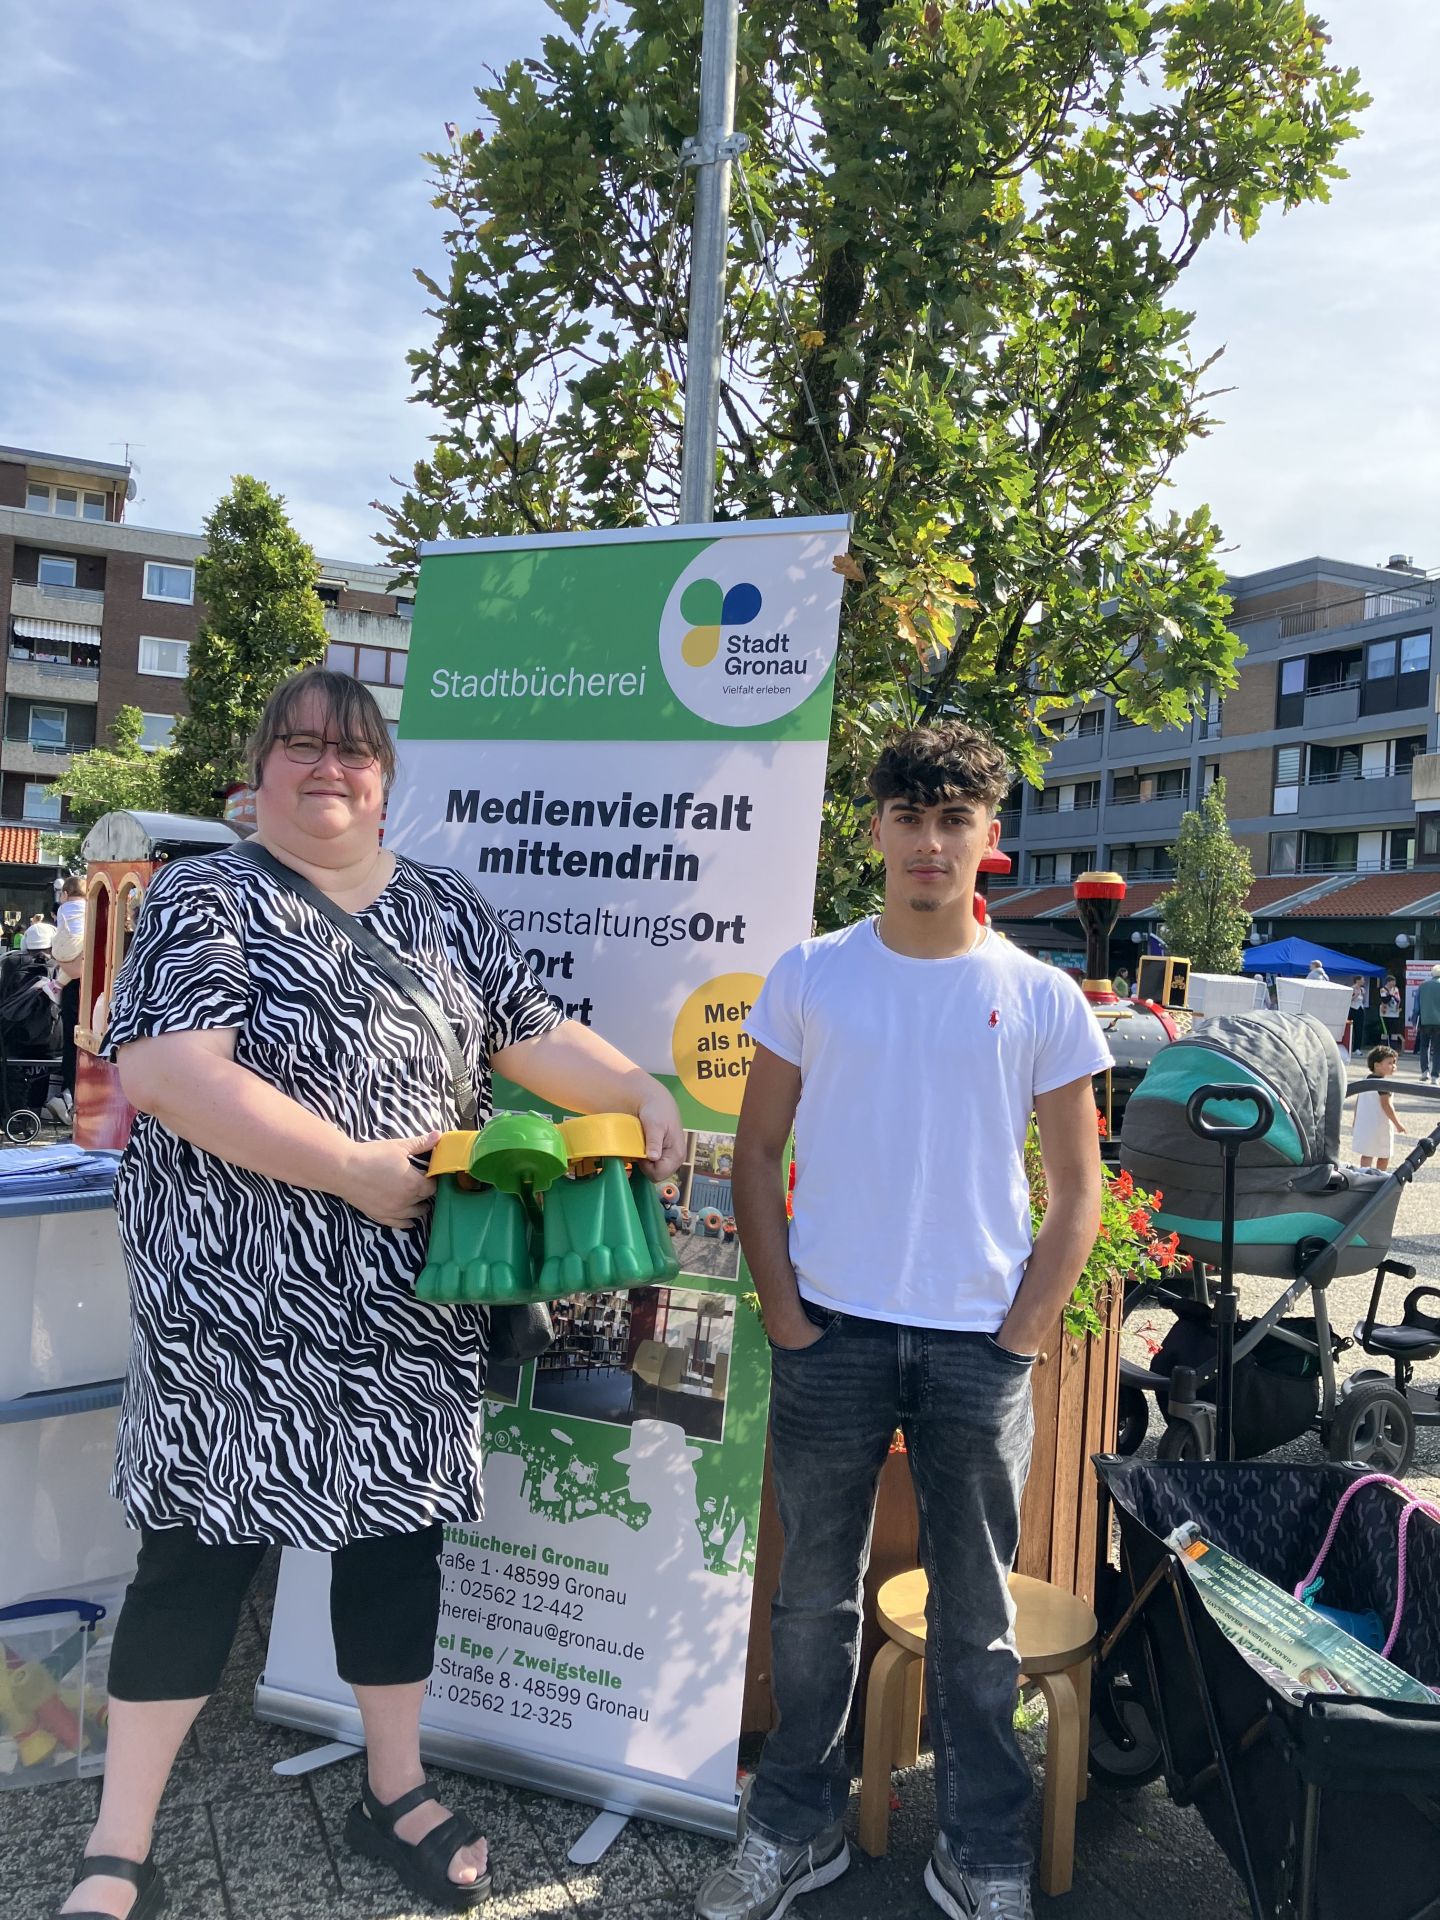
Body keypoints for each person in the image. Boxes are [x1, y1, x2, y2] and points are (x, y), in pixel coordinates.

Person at [55, 668, 684, 1920]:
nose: (326, 768)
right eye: (298, 746)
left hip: (409, 1304)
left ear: (386, 775)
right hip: (236, 1311)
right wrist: (349, 1169)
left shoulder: (447, 908)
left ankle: (391, 1789)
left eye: (351, 750)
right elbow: (172, 1073)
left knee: (396, 1550)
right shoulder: (206, 896)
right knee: (194, 1561)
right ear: (258, 771)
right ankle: (117, 1847)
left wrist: (638, 1090)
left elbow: (530, 1029)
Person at [695, 721, 1108, 1920]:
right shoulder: (812, 973)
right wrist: (786, 1316)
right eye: (910, 818)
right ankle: (794, 1826)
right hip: (831, 1333)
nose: (930, 843)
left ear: (989, 839)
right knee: (809, 1603)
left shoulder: (1038, 996)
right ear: (875, 829)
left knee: (980, 1619)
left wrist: (1021, 1338)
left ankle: (981, 1853)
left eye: (955, 820)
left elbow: (1078, 1195)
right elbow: (756, 1150)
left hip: (979, 1350)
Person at [1352, 1045, 1406, 1171]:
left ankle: (1364, 1174)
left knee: (1367, 1153)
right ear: (1377, 1065)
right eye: (1389, 1063)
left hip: (1366, 1123)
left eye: (1394, 1063)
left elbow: (1359, 1101)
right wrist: (1397, 1124)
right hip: (1380, 1125)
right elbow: (1386, 1105)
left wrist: (1356, 1119)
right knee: (1384, 1154)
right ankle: (1380, 1176)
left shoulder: (1365, 1080)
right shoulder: (1383, 1084)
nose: (1393, 1066)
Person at [1417, 964, 1440, 1084]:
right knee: (1437, 1049)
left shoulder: (1423, 985)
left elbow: (1417, 1006)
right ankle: (1435, 1076)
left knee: (1424, 1047)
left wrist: (1415, 1019)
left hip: (1425, 1021)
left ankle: (1424, 1071)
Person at [1381, 974, 1403, 1046]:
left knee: (1394, 1031)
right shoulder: (1383, 990)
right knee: (1385, 1031)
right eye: (1393, 982)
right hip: (1386, 1013)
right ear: (1388, 982)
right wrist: (1390, 994)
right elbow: (1385, 1000)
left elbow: (1398, 999)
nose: (1394, 983)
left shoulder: (1396, 989)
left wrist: (1399, 1006)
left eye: (1395, 982)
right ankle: (1384, 1046)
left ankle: (1393, 1048)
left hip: (1394, 1013)